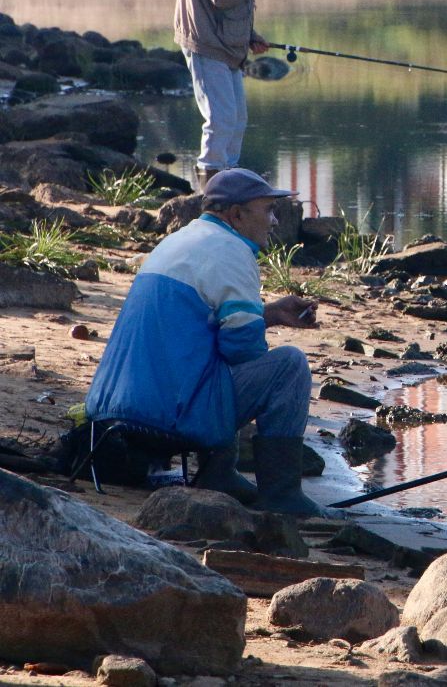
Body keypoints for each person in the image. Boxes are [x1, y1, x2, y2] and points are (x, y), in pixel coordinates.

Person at [85, 168, 335, 518]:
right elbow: (242, 350)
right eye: (267, 210)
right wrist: (255, 329)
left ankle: (221, 475)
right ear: (236, 214)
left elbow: (196, 328)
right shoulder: (232, 251)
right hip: (164, 416)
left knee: (211, 362)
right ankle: (281, 494)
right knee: (289, 366)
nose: (275, 221)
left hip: (111, 411)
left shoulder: (180, 241)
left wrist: (270, 314)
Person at [174, 0, 282, 190]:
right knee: (220, 119)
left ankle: (228, 183)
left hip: (227, 42)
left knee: (236, 120)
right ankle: (211, 190)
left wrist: (249, 34)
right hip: (206, 41)